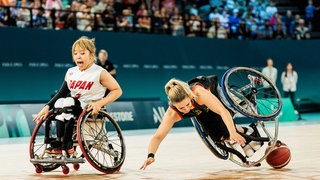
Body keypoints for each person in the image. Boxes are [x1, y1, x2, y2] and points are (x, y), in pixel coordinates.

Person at [140, 76, 262, 170]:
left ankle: (248, 130)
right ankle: (243, 131)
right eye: (181, 108)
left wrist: (232, 132)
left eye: (187, 104)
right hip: (201, 111)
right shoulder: (172, 113)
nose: (186, 109)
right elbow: (158, 136)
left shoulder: (198, 93)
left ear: (189, 96)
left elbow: (222, 111)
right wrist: (151, 155)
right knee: (219, 137)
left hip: (213, 95)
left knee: (229, 113)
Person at [32, 36, 122, 156]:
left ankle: (67, 144)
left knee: (68, 102)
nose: (78, 56)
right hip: (73, 107)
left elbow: (117, 90)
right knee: (61, 102)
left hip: (90, 109)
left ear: (91, 56)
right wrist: (47, 106)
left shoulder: (99, 72)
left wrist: (100, 103)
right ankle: (61, 142)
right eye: (75, 53)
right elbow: (61, 93)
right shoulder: (71, 72)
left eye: (82, 53)